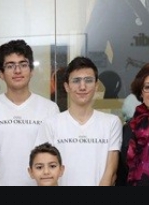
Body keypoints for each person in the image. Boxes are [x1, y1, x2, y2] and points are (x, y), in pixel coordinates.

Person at [0, 39, 60, 186]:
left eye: (23, 64)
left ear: (31, 70)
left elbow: (56, 158)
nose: (17, 71)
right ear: (1, 73)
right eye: (10, 66)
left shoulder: (50, 109)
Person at [35, 57, 122, 186]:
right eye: (76, 81)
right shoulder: (50, 124)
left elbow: (110, 172)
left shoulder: (111, 123)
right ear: (66, 86)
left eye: (88, 80)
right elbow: (44, 172)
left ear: (96, 86)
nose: (82, 87)